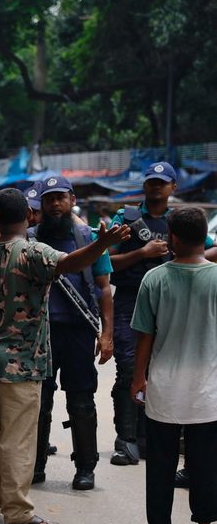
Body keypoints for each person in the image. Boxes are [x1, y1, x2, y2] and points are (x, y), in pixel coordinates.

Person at [0, 188, 129, 524]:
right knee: (17, 439)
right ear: (29, 214)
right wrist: (103, 244)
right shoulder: (33, 252)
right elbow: (71, 263)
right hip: (22, 364)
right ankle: (18, 511)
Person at [108, 162, 217, 466]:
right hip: (131, 299)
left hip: (175, 298)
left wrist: (180, 259)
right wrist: (141, 254)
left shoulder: (180, 220)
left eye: (162, 182)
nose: (156, 186)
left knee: (165, 368)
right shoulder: (126, 217)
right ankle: (126, 439)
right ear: (144, 185)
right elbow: (106, 261)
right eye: (151, 181)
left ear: (173, 187)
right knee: (130, 368)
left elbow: (209, 250)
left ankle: (148, 437)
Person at [131, 207, 217, 524]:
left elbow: (145, 336)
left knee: (161, 463)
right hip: (208, 392)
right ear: (204, 238)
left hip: (164, 388)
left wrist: (138, 377)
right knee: (206, 464)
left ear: (175, 238)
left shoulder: (155, 279)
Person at [29, 176, 114, 490]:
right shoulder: (29, 238)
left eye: (60, 198)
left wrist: (107, 335)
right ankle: (35, 465)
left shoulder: (89, 238)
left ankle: (85, 468)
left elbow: (105, 290)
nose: (54, 204)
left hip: (79, 331)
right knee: (39, 401)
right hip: (40, 333)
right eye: (49, 199)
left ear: (72, 200)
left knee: (81, 401)